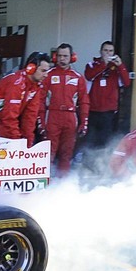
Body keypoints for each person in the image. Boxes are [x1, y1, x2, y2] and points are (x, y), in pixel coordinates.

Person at [0, 53, 51, 146]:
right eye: (43, 71)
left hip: (6, 123)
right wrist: (17, 141)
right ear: (31, 68)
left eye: (47, 71)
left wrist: (28, 143)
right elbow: (10, 116)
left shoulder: (36, 86)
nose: (46, 75)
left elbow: (30, 117)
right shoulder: (16, 83)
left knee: (3, 155)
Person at [41, 44, 88, 176]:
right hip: (52, 116)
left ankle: (63, 184)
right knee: (48, 153)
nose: (62, 59)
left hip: (70, 117)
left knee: (67, 153)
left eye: (65, 56)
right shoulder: (47, 75)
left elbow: (84, 101)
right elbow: (39, 100)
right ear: (55, 57)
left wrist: (84, 121)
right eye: (60, 56)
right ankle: (46, 182)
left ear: (72, 57)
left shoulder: (78, 77)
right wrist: (41, 121)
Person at [84, 42, 130, 150]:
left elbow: (127, 82)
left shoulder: (116, 67)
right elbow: (89, 76)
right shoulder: (92, 64)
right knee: (90, 140)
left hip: (109, 111)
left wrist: (120, 65)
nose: (108, 53)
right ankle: (88, 163)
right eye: (105, 50)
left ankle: (102, 163)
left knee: (105, 141)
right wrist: (103, 64)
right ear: (100, 51)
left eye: (110, 51)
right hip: (92, 110)